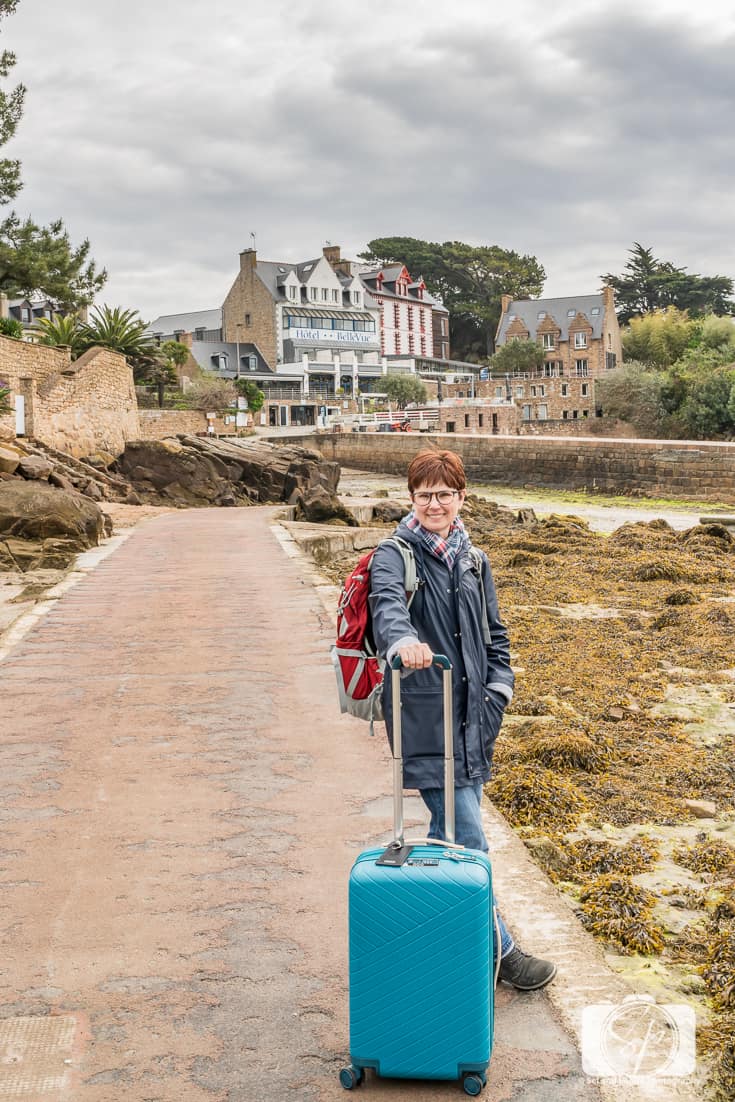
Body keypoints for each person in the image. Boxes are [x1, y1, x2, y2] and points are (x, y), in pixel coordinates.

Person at [369, 449, 556, 991]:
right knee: (469, 838)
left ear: (461, 498)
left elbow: (496, 633)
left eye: (444, 494)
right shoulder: (393, 555)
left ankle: (442, 942)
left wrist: (500, 688)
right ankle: (501, 953)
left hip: (476, 715)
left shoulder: (474, 560)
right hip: (425, 715)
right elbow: (387, 610)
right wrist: (403, 643)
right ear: (411, 498)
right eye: (424, 495)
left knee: (448, 836)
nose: (435, 504)